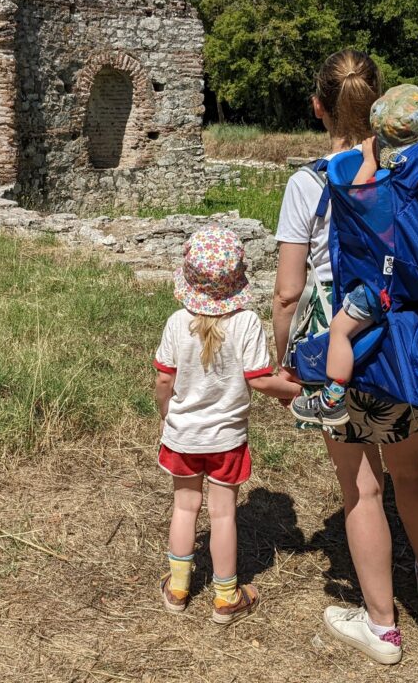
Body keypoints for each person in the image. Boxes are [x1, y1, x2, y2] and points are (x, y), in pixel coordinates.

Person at [273, 51, 418, 665]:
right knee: (412, 470)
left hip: (337, 343)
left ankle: (382, 626)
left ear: (318, 107)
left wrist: (285, 357)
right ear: (378, 98)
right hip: (398, 334)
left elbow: (288, 291)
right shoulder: (410, 168)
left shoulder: (309, 183)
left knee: (361, 488)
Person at [155, 225, 302, 624]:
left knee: (184, 507)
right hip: (227, 440)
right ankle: (225, 597)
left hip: (183, 436)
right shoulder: (247, 323)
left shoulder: (177, 322)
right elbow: (260, 380)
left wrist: (167, 412)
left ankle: (178, 589)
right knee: (223, 515)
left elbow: (164, 380)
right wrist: (293, 389)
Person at [290, 84, 418, 427]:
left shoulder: (384, 180)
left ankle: (332, 398)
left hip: (383, 285)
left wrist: (368, 161)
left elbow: (356, 199)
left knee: (340, 330)